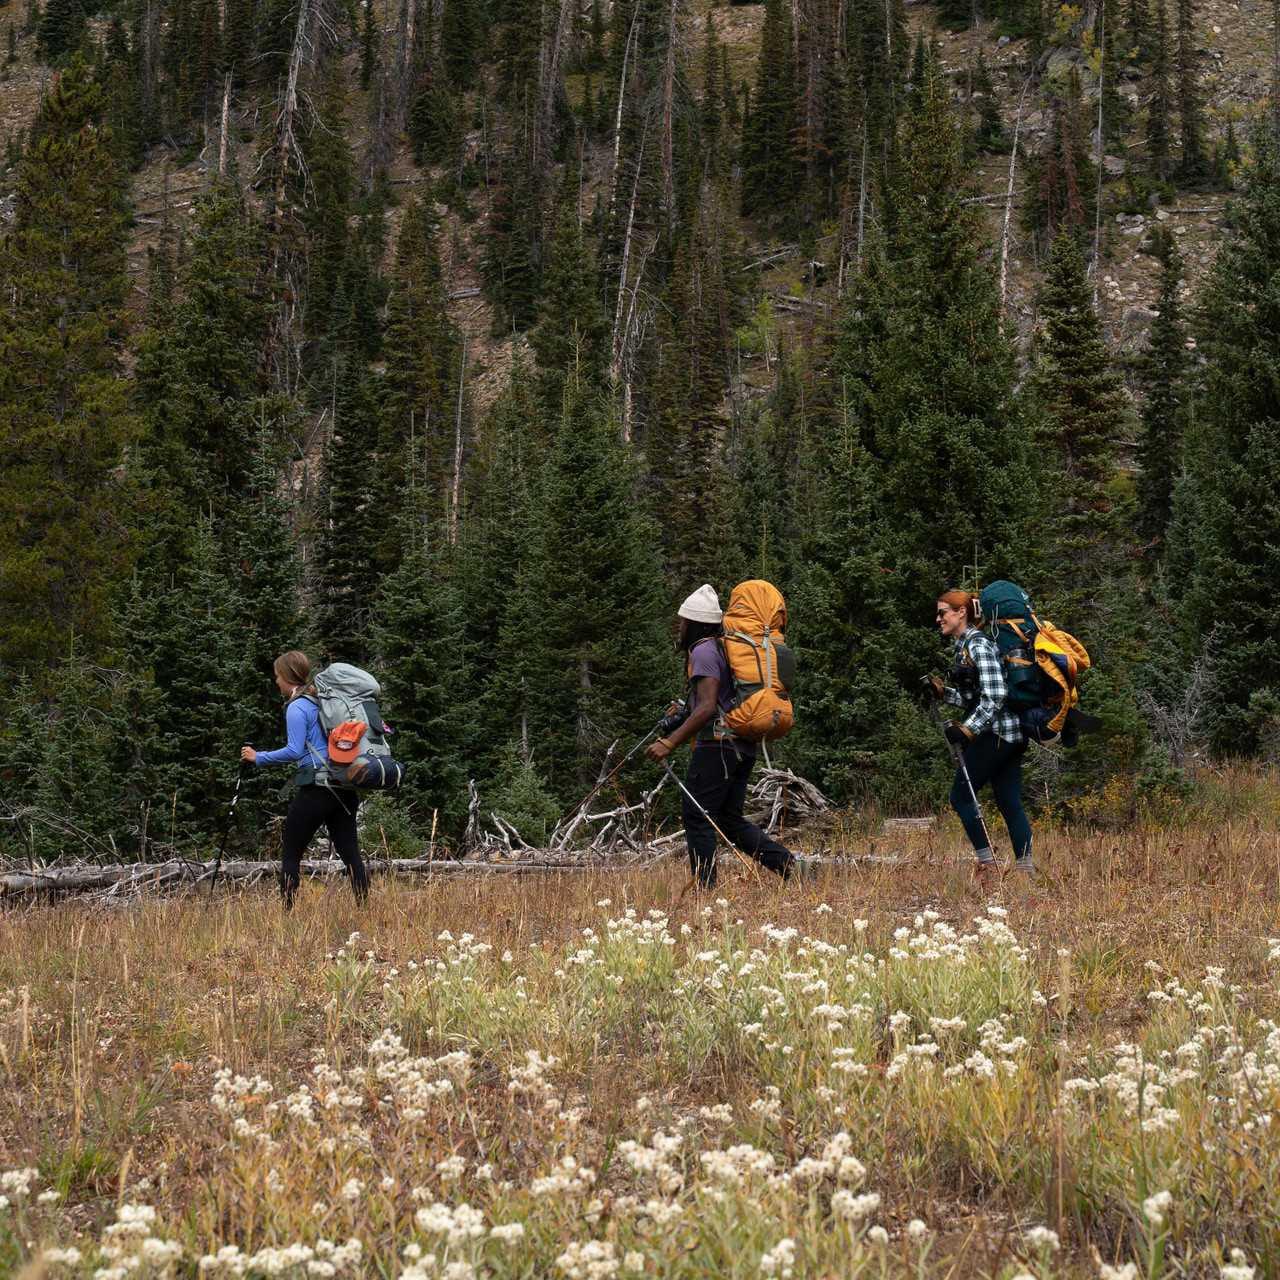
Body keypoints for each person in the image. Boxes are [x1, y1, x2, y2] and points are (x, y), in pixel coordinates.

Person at [645, 585, 809, 890]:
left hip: (716, 747)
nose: (678, 628)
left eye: (682, 622)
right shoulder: (720, 648)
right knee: (729, 820)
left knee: (698, 815)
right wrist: (682, 713)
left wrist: (669, 742)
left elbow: (707, 708)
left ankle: (705, 891)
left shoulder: (703, 651)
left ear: (695, 624)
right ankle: (788, 867)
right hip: (740, 745)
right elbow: (715, 700)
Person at [240, 651, 369, 909]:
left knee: (291, 852)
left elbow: (294, 751)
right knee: (350, 851)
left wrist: (258, 757)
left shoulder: (297, 707)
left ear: (287, 677)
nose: (276, 681)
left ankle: (288, 913)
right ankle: (364, 909)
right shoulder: (320, 702)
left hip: (315, 789)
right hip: (342, 786)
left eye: (277, 676)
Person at [928, 590, 1034, 892]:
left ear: (962, 612)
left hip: (997, 735)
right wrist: (944, 693)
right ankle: (1026, 875)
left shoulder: (979, 645)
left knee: (961, 798)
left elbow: (996, 694)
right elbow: (972, 697)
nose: (939, 619)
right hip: (1010, 735)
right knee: (1009, 801)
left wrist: (969, 730)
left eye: (943, 612)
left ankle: (988, 869)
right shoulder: (965, 647)